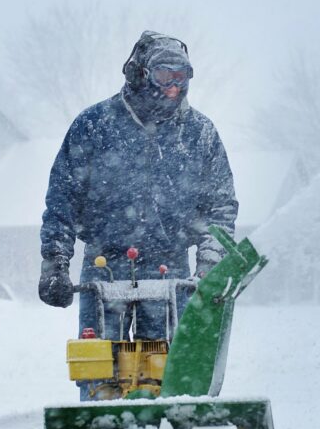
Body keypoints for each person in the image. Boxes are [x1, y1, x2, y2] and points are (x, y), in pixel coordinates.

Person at [38, 31, 238, 349]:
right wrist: (56, 261)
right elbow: (63, 196)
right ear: (139, 74)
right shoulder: (94, 125)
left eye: (182, 76)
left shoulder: (200, 134)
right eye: (163, 75)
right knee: (100, 367)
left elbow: (220, 205)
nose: (174, 86)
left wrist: (210, 263)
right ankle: (102, 398)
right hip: (104, 264)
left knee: (167, 370)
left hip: (170, 267)